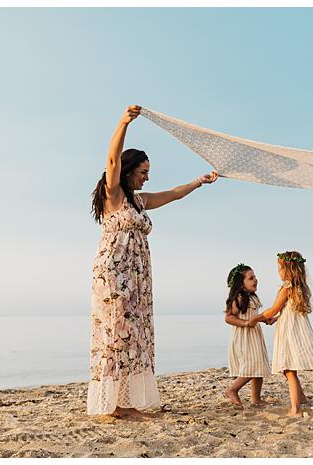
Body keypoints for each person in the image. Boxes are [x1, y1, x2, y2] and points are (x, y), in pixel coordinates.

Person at [87, 104, 218, 418]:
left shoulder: (140, 201)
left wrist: (200, 181)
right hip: (115, 275)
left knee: (135, 336)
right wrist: (123, 123)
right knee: (116, 333)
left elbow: (173, 194)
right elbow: (111, 158)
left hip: (138, 279)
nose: (147, 177)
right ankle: (115, 406)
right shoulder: (114, 195)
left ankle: (127, 402)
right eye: (143, 172)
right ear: (130, 170)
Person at [250, 251, 313, 417]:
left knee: (289, 369)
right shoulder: (300, 288)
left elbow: (274, 309)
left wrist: (256, 318)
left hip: (290, 331)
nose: (278, 272)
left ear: (289, 269)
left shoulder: (287, 287)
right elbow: (288, 311)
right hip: (296, 329)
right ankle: (302, 398)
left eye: (280, 268)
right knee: (290, 368)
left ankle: (296, 409)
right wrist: (276, 319)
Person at [223, 263, 275, 408]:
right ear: (240, 284)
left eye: (255, 277)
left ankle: (256, 398)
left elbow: (254, 316)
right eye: (251, 278)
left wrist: (267, 319)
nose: (255, 280)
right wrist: (245, 323)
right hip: (244, 336)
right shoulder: (238, 298)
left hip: (254, 335)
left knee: (259, 366)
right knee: (251, 365)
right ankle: (232, 389)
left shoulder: (252, 297)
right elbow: (229, 318)